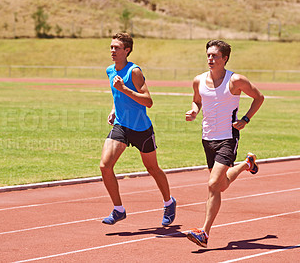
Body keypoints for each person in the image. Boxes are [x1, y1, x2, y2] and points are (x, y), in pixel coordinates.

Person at [185, 40, 264, 247]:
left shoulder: (235, 80)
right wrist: (194, 111)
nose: (210, 59)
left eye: (215, 56)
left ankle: (204, 232)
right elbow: (197, 101)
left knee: (212, 184)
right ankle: (247, 164)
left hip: (228, 137)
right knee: (220, 185)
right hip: (207, 138)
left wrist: (246, 119)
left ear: (225, 58)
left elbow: (259, 97)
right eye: (208, 55)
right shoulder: (199, 80)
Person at [100, 32, 176, 226]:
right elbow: (117, 96)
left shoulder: (134, 71)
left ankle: (169, 202)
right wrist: (114, 109)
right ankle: (118, 210)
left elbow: (148, 101)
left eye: (117, 48)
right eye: (111, 47)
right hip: (121, 126)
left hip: (141, 129)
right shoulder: (110, 70)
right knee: (105, 166)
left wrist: (125, 88)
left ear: (127, 50)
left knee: (152, 168)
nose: (112, 51)